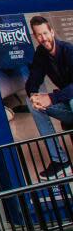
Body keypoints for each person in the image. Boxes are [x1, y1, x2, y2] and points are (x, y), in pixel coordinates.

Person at [25, 15, 73, 178]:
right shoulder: (41, 54)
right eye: (39, 35)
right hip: (67, 104)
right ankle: (61, 161)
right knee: (32, 104)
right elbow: (33, 80)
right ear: (35, 37)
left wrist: (51, 98)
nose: (43, 38)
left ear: (52, 32)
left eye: (45, 33)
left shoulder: (68, 50)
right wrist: (34, 97)